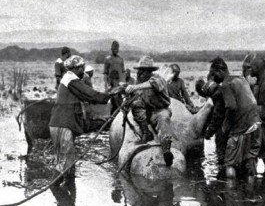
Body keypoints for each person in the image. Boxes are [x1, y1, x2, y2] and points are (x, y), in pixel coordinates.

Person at [49, 55, 110, 183]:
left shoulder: (69, 80)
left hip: (61, 125)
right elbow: (91, 95)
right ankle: (60, 194)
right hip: (62, 125)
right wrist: (110, 95)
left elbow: (87, 98)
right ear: (76, 68)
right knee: (64, 166)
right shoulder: (71, 79)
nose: (83, 71)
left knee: (66, 163)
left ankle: (66, 198)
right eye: (82, 68)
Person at [209, 57, 261, 180]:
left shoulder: (226, 84)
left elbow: (231, 107)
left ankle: (229, 194)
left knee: (229, 164)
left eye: (213, 74)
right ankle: (252, 195)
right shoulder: (241, 79)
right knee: (250, 161)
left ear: (221, 71)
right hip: (256, 125)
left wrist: (225, 128)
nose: (213, 77)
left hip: (241, 129)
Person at [125, 56, 174, 167]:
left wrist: (135, 87)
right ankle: (146, 132)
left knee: (163, 117)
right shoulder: (138, 83)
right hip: (147, 112)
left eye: (145, 71)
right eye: (140, 70)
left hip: (159, 110)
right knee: (136, 105)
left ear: (150, 72)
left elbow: (152, 84)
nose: (141, 73)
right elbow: (136, 99)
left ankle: (166, 149)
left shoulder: (158, 79)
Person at [196, 71, 227, 165]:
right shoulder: (220, 89)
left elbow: (217, 116)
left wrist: (208, 133)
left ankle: (222, 173)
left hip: (224, 127)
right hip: (229, 125)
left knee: (222, 154)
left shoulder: (217, 94)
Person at [103, 40, 125, 114]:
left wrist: (123, 84)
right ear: (111, 48)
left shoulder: (121, 59)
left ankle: (117, 118)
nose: (115, 50)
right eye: (114, 48)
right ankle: (111, 119)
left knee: (119, 101)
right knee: (114, 102)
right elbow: (105, 73)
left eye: (117, 48)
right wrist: (106, 86)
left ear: (118, 49)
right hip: (111, 83)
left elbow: (123, 72)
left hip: (119, 83)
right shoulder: (108, 59)